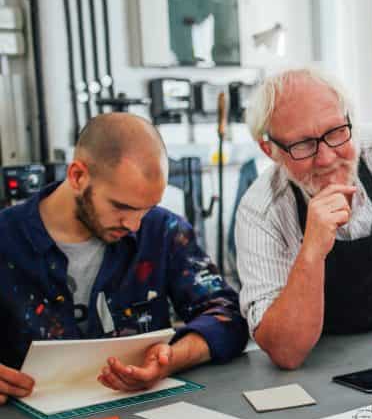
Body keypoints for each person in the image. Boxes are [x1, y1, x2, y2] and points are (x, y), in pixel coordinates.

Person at [0, 113, 248, 403]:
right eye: (121, 206)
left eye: (146, 208)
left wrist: (171, 359)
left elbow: (227, 316)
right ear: (78, 176)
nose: (134, 225)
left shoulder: (163, 231)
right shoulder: (6, 240)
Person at [234, 69, 372, 369]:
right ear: (270, 150)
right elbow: (286, 352)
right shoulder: (260, 212)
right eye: (303, 145)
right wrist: (312, 251)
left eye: (336, 132)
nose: (327, 159)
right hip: (312, 361)